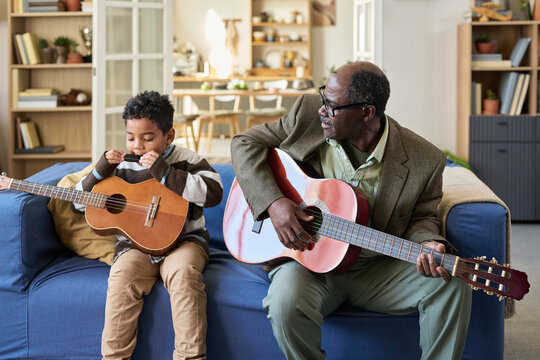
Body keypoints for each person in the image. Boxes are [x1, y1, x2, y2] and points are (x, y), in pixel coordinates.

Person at [230, 61, 472, 359]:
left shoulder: (425, 158)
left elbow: (423, 216)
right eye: (323, 99)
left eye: (331, 105)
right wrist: (274, 203)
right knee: (283, 303)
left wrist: (428, 243)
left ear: (367, 112)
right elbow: (245, 143)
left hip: (377, 268)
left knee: (452, 282)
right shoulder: (308, 114)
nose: (322, 110)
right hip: (309, 263)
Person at [75, 90, 223, 360]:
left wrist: (165, 172)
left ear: (169, 137)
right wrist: (98, 171)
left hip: (184, 243)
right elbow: (78, 203)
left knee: (184, 275)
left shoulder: (186, 160)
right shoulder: (119, 167)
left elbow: (213, 192)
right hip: (136, 247)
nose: (137, 146)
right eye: (130, 138)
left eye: (148, 138)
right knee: (121, 278)